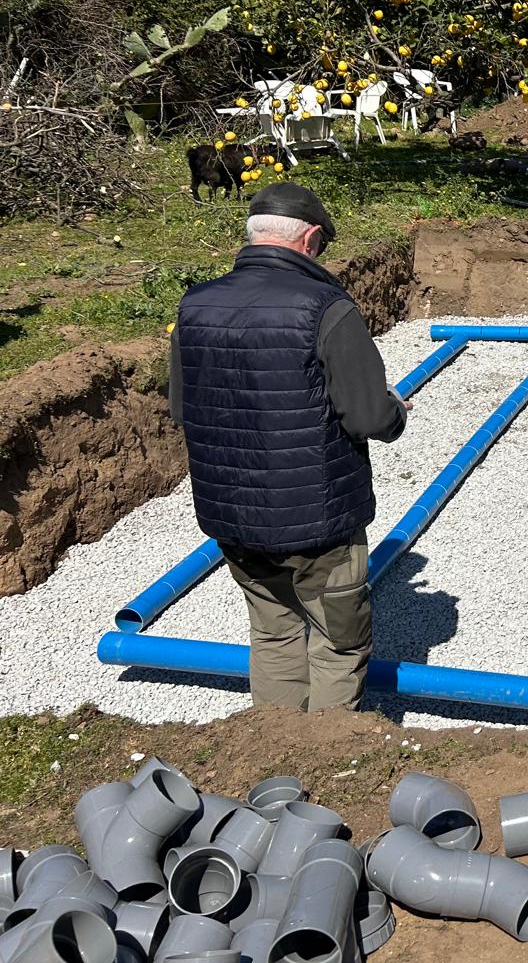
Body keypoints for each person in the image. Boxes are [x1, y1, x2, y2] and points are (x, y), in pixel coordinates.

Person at [168, 182, 409, 712]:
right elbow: (369, 415)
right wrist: (395, 413)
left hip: (232, 514)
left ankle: (275, 754)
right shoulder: (325, 308)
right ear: (310, 238)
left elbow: (184, 408)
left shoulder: (195, 305)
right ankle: (321, 761)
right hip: (316, 518)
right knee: (339, 642)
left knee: (273, 634)